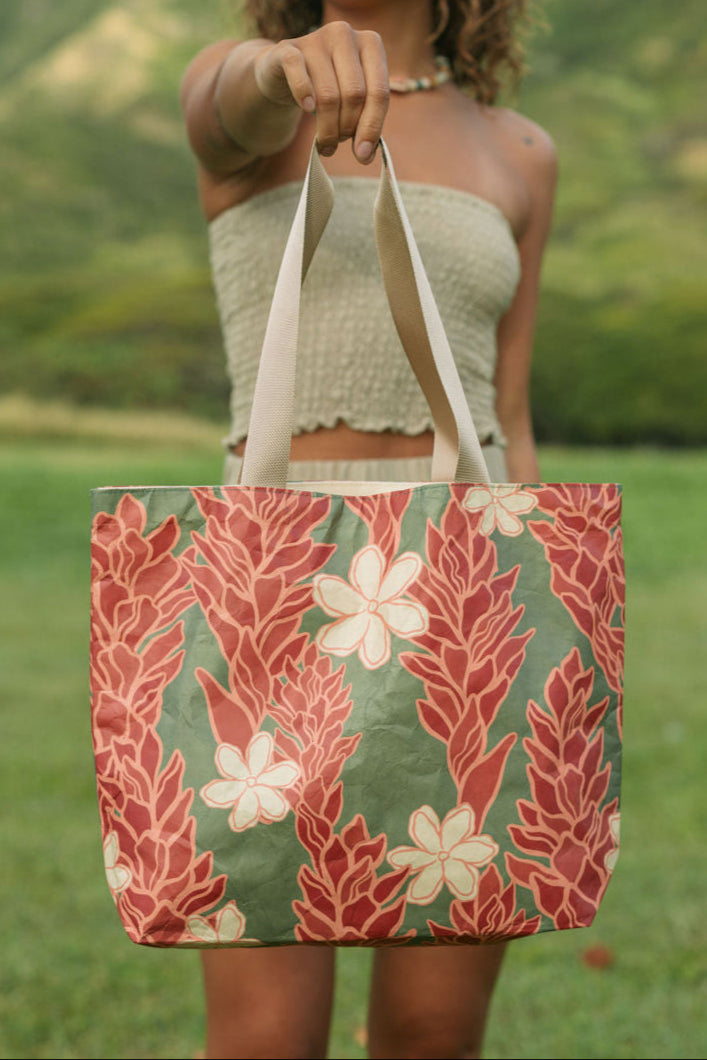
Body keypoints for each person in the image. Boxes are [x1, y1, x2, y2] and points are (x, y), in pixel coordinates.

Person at [180, 2, 557, 1056]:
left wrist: (554, 635)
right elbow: (233, 107)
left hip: (470, 608)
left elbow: (508, 417)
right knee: (264, 1038)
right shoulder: (244, 87)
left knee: (434, 1033)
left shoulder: (518, 150)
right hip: (269, 602)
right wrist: (280, 70)